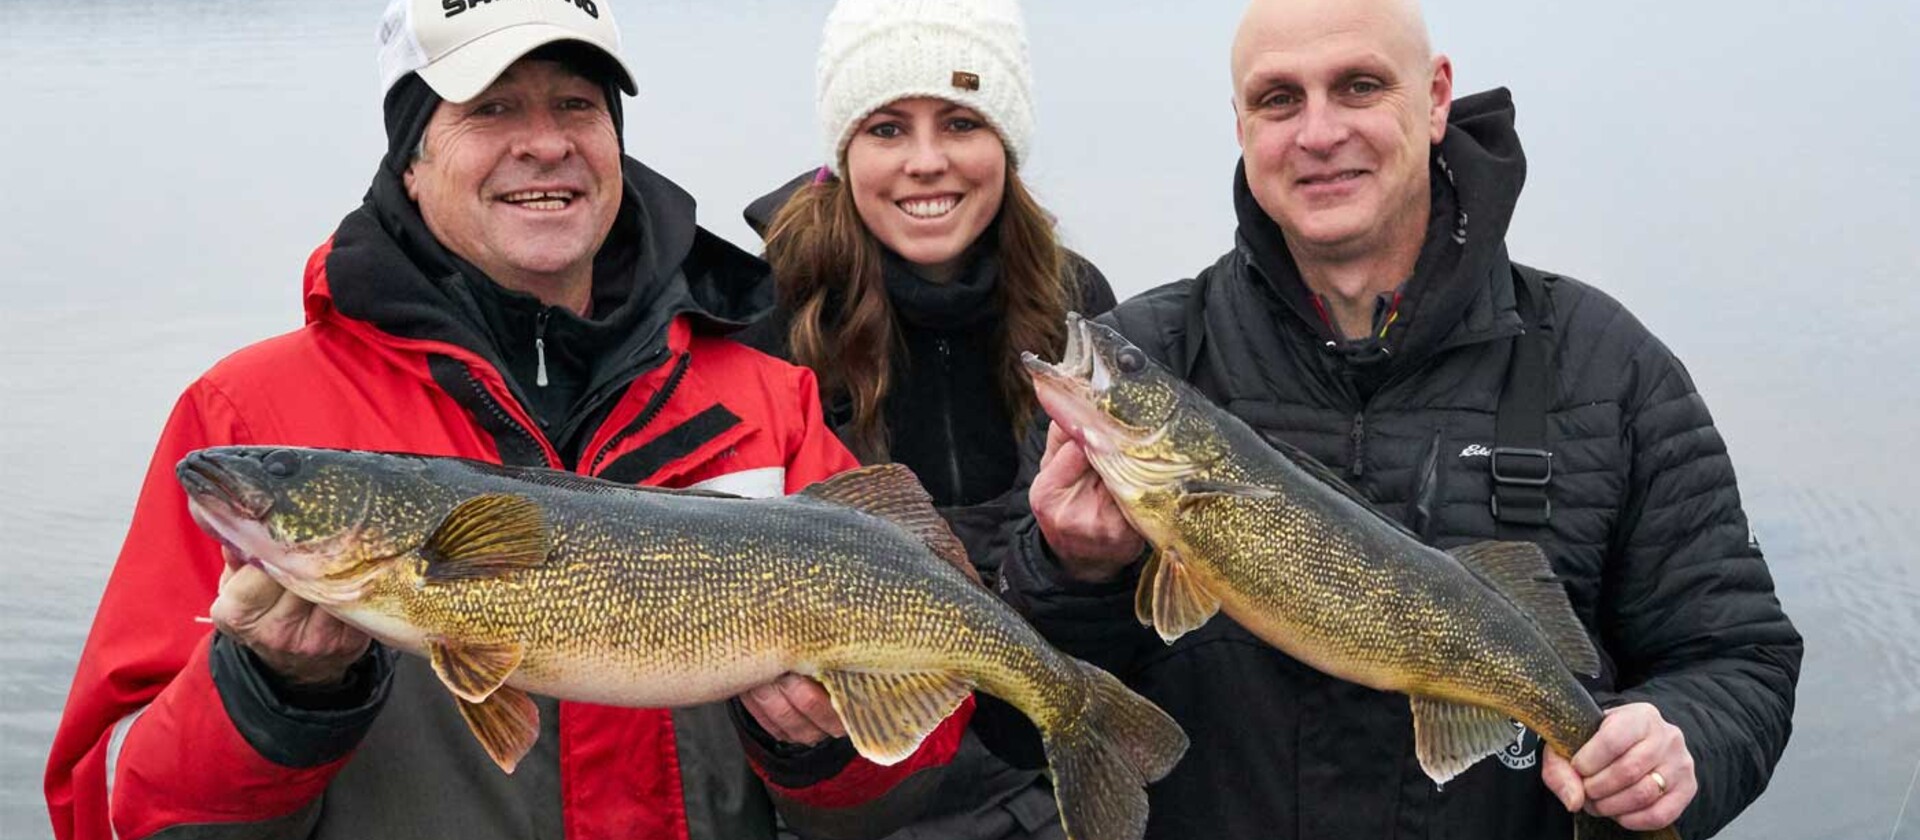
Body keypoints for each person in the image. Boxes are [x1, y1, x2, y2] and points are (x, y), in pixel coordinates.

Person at [43, 2, 973, 838]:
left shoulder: (769, 402)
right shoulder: (246, 410)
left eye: (577, 104)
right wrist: (270, 697)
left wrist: (822, 753)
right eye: (488, 108)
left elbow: (896, 793)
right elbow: (115, 807)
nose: (544, 143)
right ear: (411, 160)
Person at [1000, 0, 1803, 838]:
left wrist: (1680, 749)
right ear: (1239, 124)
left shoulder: (1609, 368)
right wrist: (1070, 576)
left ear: (1436, 97)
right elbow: (1013, 727)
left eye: (1358, 85)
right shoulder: (1148, 351)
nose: (1318, 132)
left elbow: (1740, 660)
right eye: (1278, 99)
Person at [735, 1, 1117, 837]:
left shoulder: (1079, 310)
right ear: (841, 151)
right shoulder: (760, 321)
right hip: (851, 797)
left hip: (1046, 779)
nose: (926, 162)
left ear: (1006, 144)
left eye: (961, 122)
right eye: (885, 129)